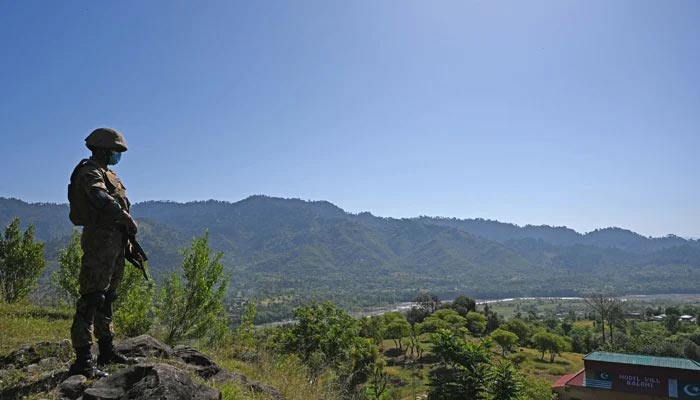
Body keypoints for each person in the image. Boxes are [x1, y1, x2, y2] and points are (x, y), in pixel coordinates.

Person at [67, 127, 140, 378]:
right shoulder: (90, 171)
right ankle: (83, 359)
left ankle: (106, 349)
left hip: (115, 242)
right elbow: (99, 197)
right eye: (114, 151)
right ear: (101, 149)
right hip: (99, 240)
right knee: (92, 297)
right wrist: (124, 217)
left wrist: (127, 240)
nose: (117, 156)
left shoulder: (111, 174)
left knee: (108, 296)